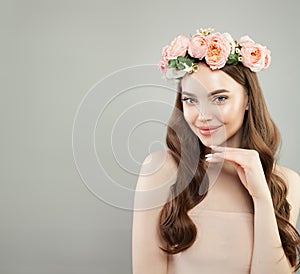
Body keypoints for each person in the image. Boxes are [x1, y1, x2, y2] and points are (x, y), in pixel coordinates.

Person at [132, 28, 300, 274]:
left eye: (219, 99)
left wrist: (262, 198)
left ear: (248, 101)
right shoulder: (162, 170)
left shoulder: (285, 182)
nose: (203, 116)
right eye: (190, 100)